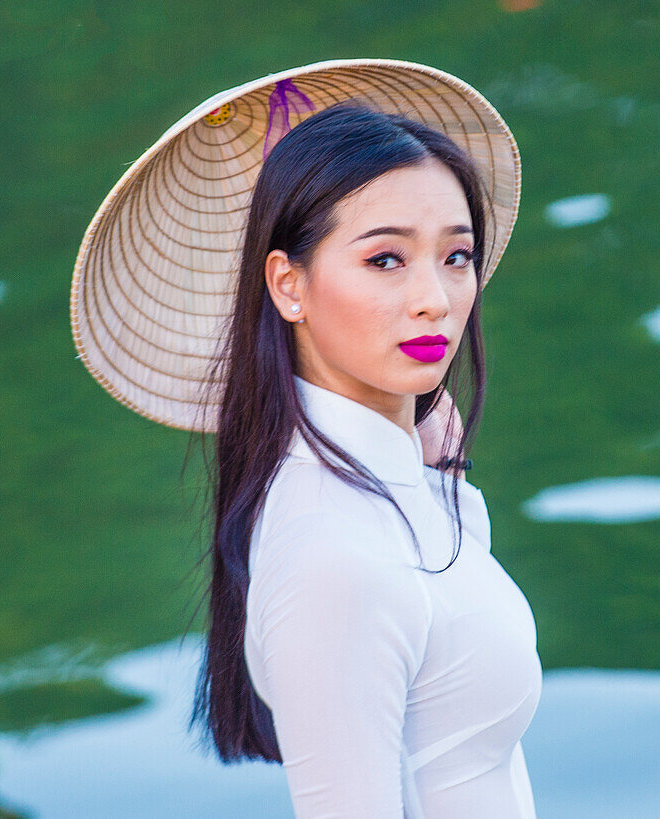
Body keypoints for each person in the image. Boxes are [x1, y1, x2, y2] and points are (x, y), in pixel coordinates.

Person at [70, 61, 542, 817]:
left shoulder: (397, 486)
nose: (435, 299)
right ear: (288, 284)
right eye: (385, 258)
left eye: (455, 256)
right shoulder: (331, 551)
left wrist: (444, 475)